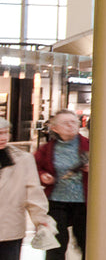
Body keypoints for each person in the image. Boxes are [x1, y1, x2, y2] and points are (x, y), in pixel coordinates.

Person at [34, 109, 86, 260]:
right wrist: (43, 176)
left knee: (85, 241)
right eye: (66, 123)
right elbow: (34, 168)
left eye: (74, 122)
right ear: (55, 128)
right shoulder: (47, 149)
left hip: (84, 203)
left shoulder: (90, 146)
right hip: (57, 201)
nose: (71, 126)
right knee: (56, 244)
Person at [0, 118, 54, 260]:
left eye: (6, 133)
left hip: (9, 229)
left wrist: (41, 221)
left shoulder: (23, 160)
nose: (4, 138)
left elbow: (33, 193)